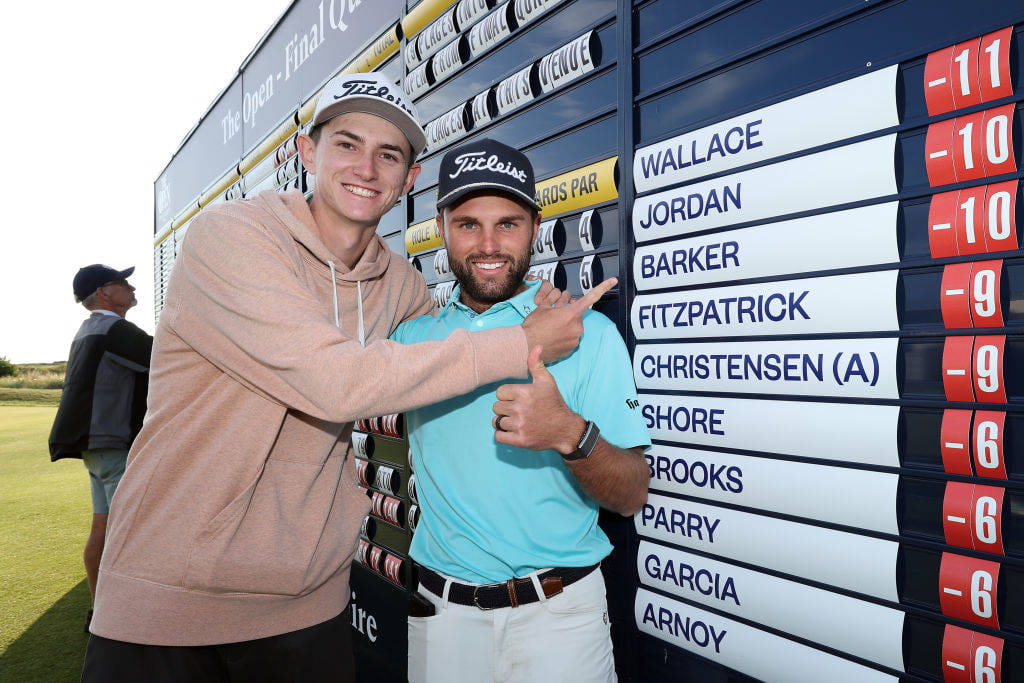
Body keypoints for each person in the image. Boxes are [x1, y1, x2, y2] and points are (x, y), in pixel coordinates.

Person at [82, 73, 614, 682]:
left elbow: (454, 332)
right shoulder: (231, 237)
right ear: (307, 153)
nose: (367, 167)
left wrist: (526, 304)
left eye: (389, 154)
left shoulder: (399, 285)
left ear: (408, 179)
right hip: (171, 600)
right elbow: (333, 380)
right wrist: (520, 342)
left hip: (307, 603)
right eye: (346, 144)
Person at [393, 138, 651, 683]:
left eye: (507, 224)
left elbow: (631, 494)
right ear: (441, 229)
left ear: (536, 227)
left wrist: (570, 434)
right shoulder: (410, 342)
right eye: (468, 225)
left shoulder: (591, 336)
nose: (488, 244)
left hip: (560, 620)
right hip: (442, 620)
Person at [48, 264, 153, 631]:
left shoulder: (91, 329)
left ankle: (101, 610)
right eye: (122, 283)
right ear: (104, 293)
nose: (131, 286)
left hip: (97, 449)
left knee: (103, 527)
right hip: (114, 444)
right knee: (132, 530)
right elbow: (166, 363)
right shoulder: (116, 330)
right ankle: (126, 617)